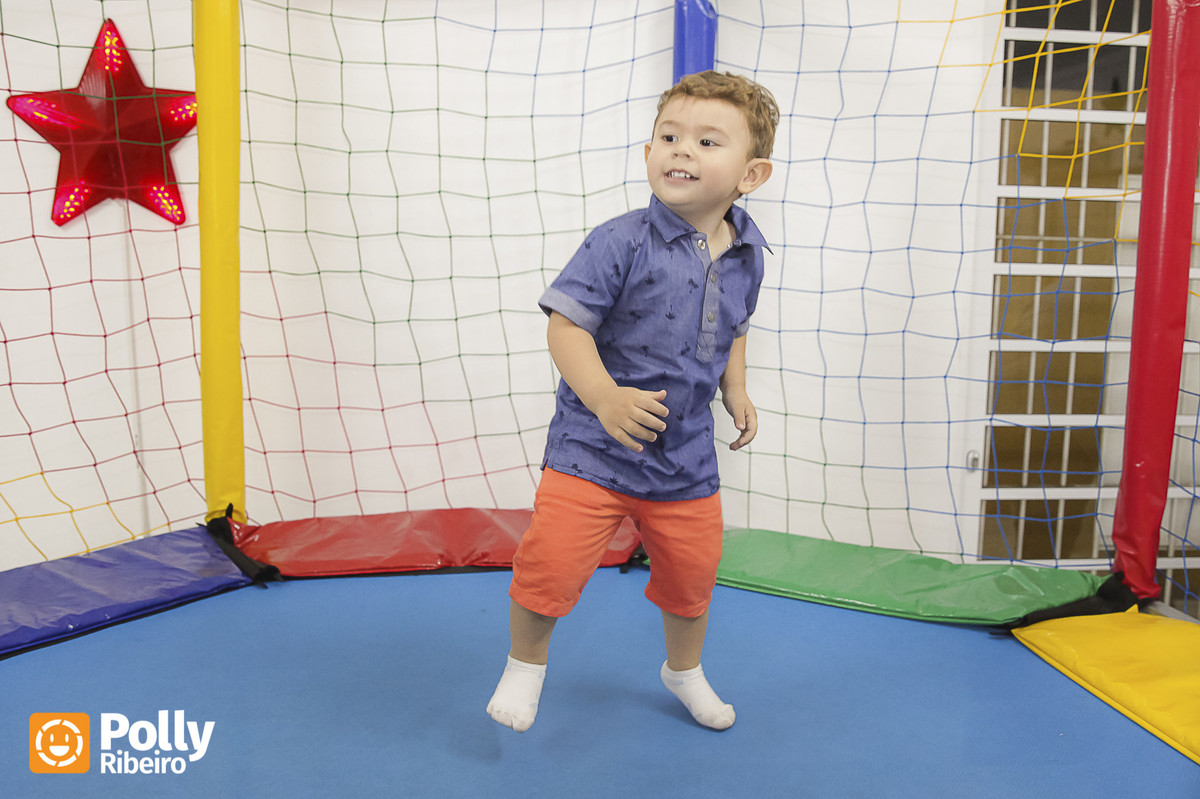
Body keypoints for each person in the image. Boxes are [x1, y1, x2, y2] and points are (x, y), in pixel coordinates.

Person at [486, 70, 778, 733]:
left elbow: (735, 325)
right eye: (669, 137)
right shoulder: (620, 240)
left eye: (707, 141)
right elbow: (566, 326)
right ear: (648, 153)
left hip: (685, 460)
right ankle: (525, 667)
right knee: (549, 564)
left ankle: (684, 670)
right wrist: (605, 398)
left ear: (751, 174)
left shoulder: (749, 254)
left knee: (692, 578)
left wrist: (735, 388)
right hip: (592, 449)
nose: (682, 150)